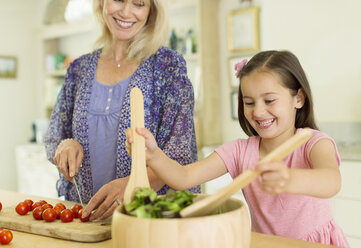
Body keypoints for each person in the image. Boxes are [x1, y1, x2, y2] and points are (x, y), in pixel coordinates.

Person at [126, 50, 349, 247]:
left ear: (298, 99)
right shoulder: (240, 152)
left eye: (269, 100)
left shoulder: (313, 142)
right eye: (249, 102)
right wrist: (153, 155)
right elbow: (184, 177)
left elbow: (331, 181)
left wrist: (289, 179)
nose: (259, 112)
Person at [44, 0, 200, 221]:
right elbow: (57, 135)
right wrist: (66, 144)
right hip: (83, 219)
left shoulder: (168, 66)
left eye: (138, 3)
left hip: (147, 219)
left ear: (151, 10)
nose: (126, 12)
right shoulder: (78, 69)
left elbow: (179, 154)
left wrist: (130, 186)